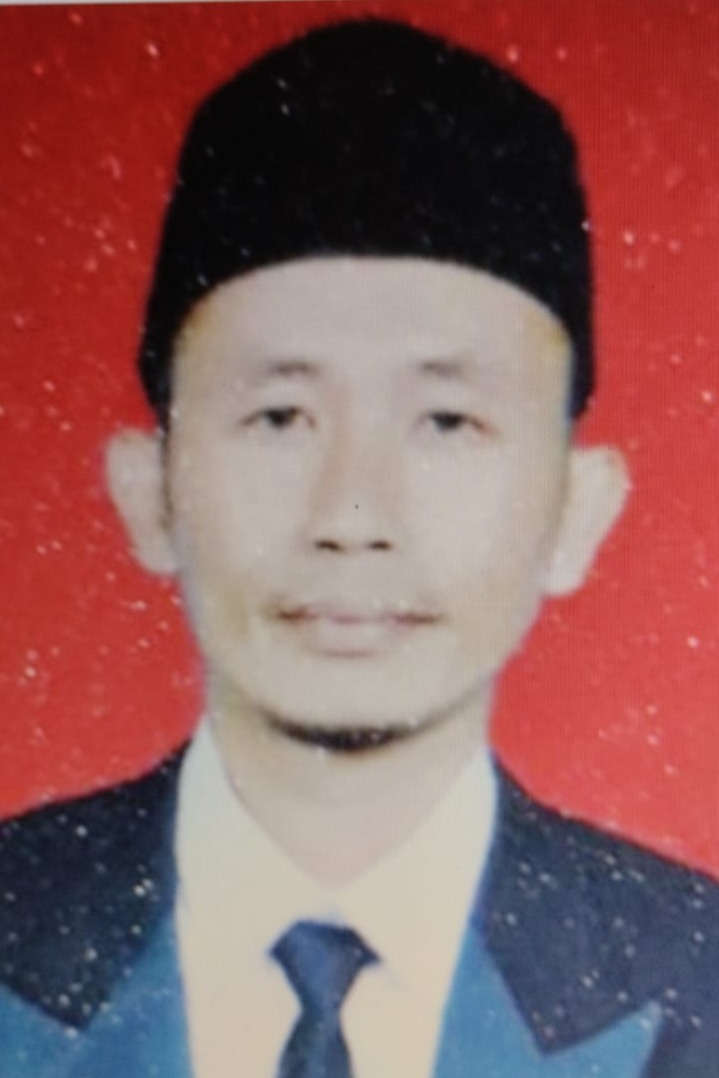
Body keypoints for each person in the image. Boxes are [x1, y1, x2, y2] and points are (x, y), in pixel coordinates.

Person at [1, 18, 718, 1078]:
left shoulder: (697, 979)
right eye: (279, 417)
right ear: (148, 487)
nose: (351, 514)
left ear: (576, 511)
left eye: (446, 422)